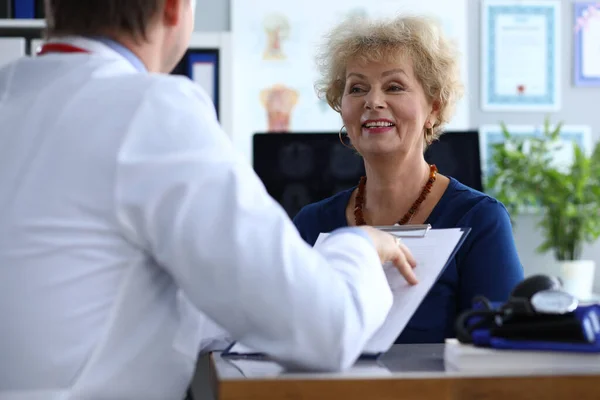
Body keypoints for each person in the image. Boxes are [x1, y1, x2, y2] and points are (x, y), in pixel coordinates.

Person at [0, 1, 420, 399]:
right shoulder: (151, 108)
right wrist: (361, 245)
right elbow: (325, 331)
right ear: (173, 8)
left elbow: (89, 289)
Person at [293, 14, 525, 344]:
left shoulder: (481, 219)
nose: (372, 101)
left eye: (394, 87)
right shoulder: (311, 223)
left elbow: (500, 355)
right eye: (357, 88)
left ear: (434, 107)